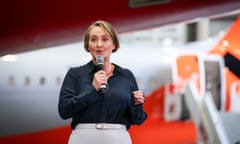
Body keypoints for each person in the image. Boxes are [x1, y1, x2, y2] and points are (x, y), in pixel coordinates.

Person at [58, 20, 147, 144]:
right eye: (93, 40)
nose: (99, 44)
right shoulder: (75, 74)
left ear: (114, 44)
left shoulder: (126, 75)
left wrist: (137, 105)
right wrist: (92, 90)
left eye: (105, 39)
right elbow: (64, 111)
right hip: (83, 138)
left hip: (118, 138)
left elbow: (138, 120)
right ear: (88, 45)